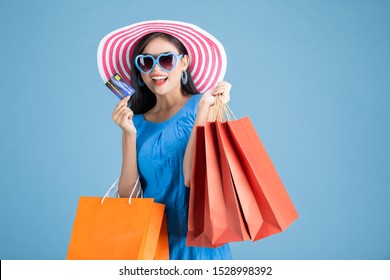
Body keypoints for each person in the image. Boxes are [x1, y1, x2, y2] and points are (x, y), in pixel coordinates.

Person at [97, 20, 232, 260]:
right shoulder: (136, 123)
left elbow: (193, 176)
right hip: (151, 246)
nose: (156, 70)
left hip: (199, 245)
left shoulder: (205, 106)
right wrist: (129, 134)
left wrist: (202, 111)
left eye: (166, 59)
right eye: (146, 62)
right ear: (139, 70)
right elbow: (129, 196)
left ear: (184, 62)